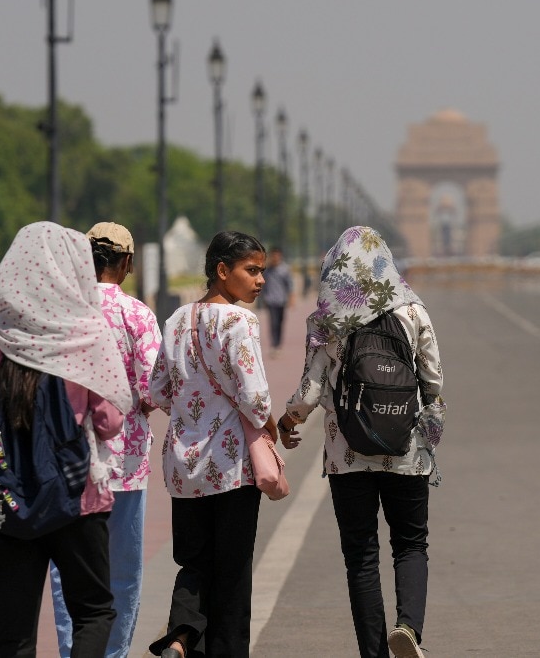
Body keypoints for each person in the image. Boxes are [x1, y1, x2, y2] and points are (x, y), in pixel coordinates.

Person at [0, 222, 132, 658]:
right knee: (93, 612)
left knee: (14, 634)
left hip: (5, 495)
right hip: (77, 495)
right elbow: (109, 420)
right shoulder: (86, 331)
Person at [276, 226, 445, 658]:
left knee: (361, 556)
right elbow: (433, 383)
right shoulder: (413, 312)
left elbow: (310, 392)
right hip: (406, 451)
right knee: (411, 544)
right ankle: (408, 626)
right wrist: (430, 442)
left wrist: (288, 420)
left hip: (347, 454)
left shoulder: (329, 317)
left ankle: (373, 652)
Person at [147, 231, 275, 658]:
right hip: (232, 465)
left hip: (184, 465)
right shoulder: (241, 322)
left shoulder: (176, 320)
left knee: (194, 563)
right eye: (251, 270)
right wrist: (267, 422)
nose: (260, 280)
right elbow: (255, 399)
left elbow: (159, 390)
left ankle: (182, 639)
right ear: (223, 271)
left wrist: (193, 413)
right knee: (233, 572)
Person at [49, 223, 161, 658]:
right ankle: (111, 653)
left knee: (67, 572)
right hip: (125, 461)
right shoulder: (136, 315)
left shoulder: (62, 312)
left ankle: (71, 650)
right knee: (122, 571)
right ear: (127, 263)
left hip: (66, 458)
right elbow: (155, 387)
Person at [259, 246, 292, 355]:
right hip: (270, 300)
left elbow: (289, 285)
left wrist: (291, 298)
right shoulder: (267, 270)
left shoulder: (284, 269)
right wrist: (262, 297)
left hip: (282, 300)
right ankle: (274, 344)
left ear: (280, 256)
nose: (275, 257)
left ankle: (278, 343)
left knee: (280, 323)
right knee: (273, 322)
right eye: (273, 255)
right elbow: (263, 285)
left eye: (277, 255)